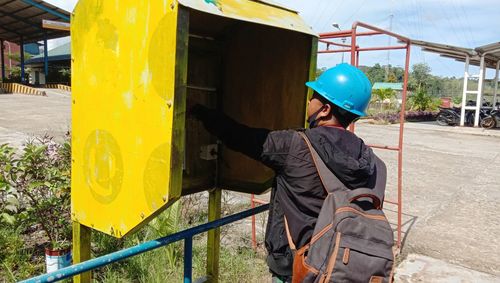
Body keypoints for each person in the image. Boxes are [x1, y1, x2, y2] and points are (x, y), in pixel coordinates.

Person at [191, 63, 380, 282]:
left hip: (296, 267)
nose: (309, 102)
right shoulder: (371, 160)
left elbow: (238, 135)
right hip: (342, 264)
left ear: (325, 109)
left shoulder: (294, 146)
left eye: (314, 96)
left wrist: (198, 109)